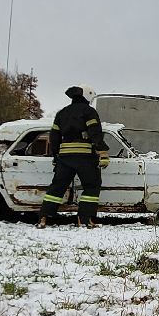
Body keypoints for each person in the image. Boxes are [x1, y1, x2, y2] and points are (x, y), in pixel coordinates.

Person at [39, 85, 108, 228]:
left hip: (65, 158)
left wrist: (56, 157)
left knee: (57, 187)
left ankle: (44, 218)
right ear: (87, 95)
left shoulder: (62, 113)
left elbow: (54, 137)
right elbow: (95, 133)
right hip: (85, 158)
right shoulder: (89, 112)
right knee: (91, 186)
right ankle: (84, 220)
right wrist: (102, 153)